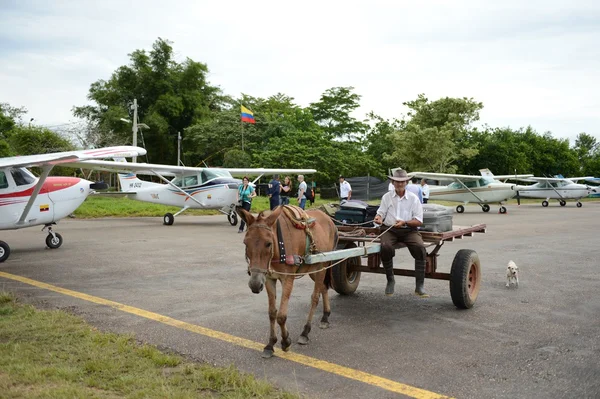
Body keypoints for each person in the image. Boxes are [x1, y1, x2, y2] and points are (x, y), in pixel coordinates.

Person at [373, 169, 428, 298]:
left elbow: (418, 221)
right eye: (397, 182)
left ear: (407, 182)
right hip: (390, 229)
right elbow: (380, 213)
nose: (399, 184)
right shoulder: (386, 197)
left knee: (420, 247)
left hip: (408, 230)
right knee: (385, 246)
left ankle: (419, 285)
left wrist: (404, 222)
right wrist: (378, 218)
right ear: (392, 182)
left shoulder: (413, 199)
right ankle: (390, 280)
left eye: (402, 181)